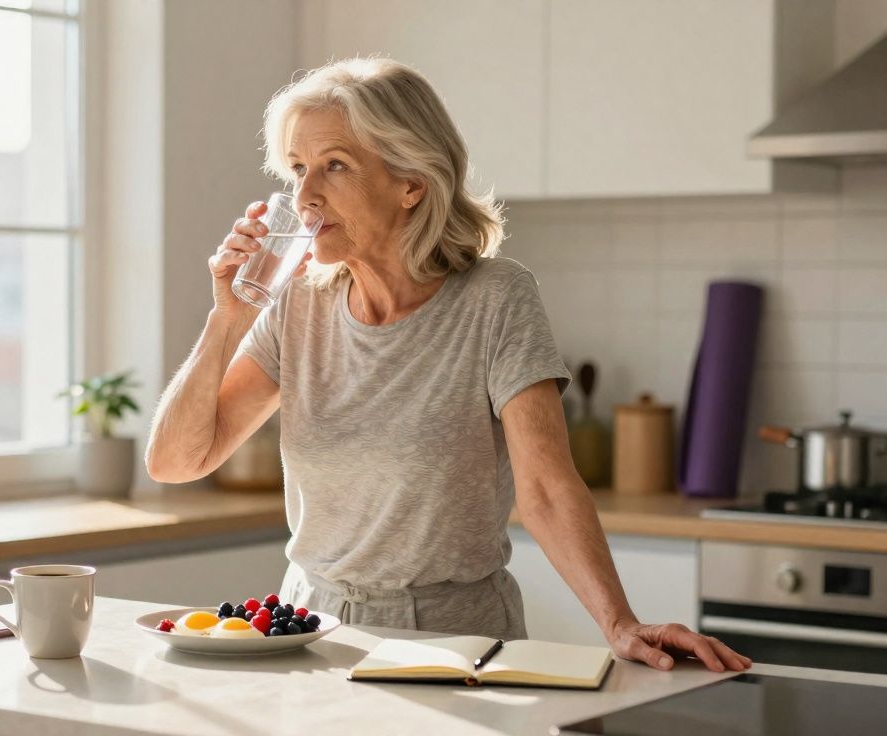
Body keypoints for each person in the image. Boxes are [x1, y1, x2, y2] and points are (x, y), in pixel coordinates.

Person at [146, 57, 749, 673]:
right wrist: (227, 318)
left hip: (454, 643)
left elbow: (545, 487)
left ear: (411, 183)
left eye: (334, 166)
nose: (304, 197)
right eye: (297, 170)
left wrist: (620, 623)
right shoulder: (295, 303)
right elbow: (175, 461)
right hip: (312, 637)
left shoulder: (496, 298)